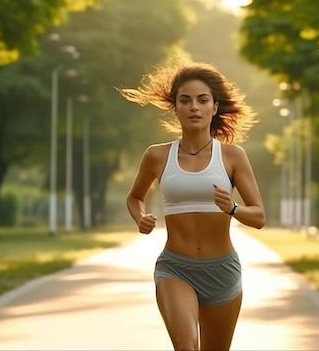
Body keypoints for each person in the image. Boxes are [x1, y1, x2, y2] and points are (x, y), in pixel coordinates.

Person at [119, 58, 265, 351]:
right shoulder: (157, 156)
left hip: (222, 272)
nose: (194, 107)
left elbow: (259, 216)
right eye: (185, 101)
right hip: (176, 268)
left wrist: (233, 208)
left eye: (202, 100)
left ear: (215, 107)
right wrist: (141, 217)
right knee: (186, 346)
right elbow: (134, 197)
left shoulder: (232, 156)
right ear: (175, 107)